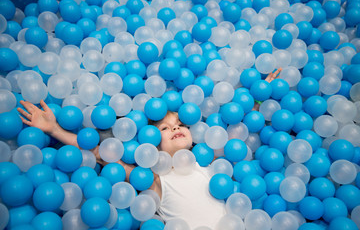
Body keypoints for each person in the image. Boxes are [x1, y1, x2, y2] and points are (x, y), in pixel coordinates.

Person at [17, 69, 282, 229]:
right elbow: (102, 155)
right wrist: (55, 130)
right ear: (152, 145)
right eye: (164, 129)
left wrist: (259, 93)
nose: (175, 128)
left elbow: (240, 130)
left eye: (179, 124)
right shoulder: (157, 180)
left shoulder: (210, 162)